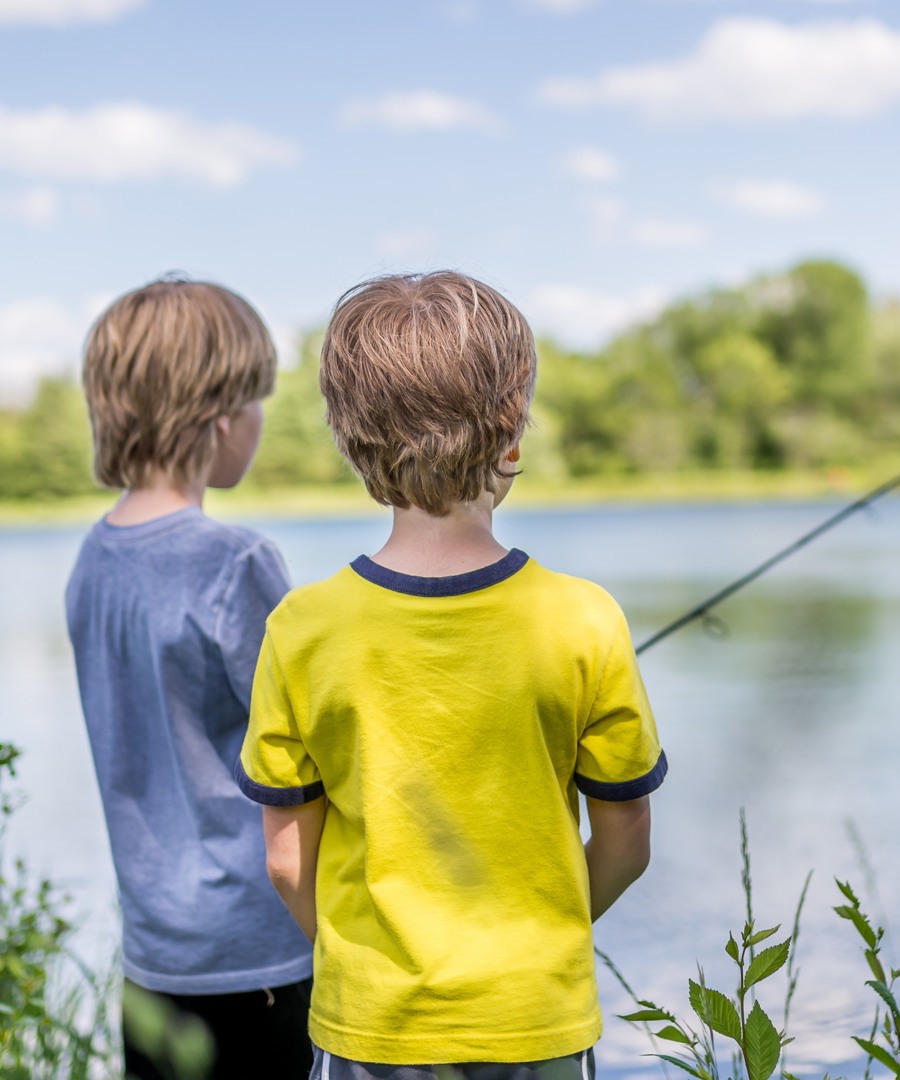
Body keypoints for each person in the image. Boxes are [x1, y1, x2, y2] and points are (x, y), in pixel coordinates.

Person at [236, 271, 664, 1079]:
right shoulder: (583, 618)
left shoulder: (301, 629)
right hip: (535, 1018)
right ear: (513, 433)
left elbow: (288, 861)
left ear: (348, 439)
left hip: (371, 1025)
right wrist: (553, 930)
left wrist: (365, 968)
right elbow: (628, 837)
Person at [65, 278, 314, 1079]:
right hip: (263, 959)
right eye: (258, 400)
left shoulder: (93, 559)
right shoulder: (232, 561)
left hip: (152, 961)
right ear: (220, 417)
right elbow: (318, 741)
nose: (261, 421)